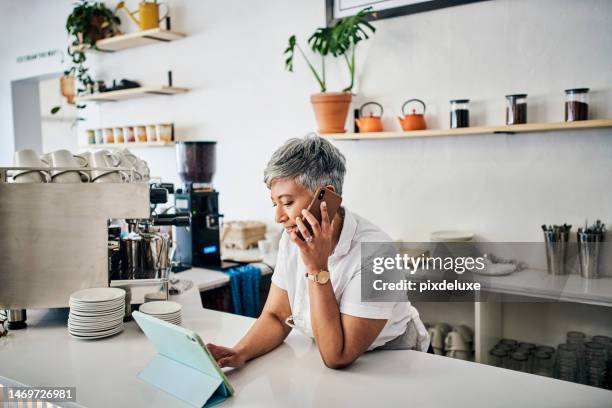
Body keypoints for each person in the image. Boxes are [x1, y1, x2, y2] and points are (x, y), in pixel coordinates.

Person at [208, 135, 429, 369]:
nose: (278, 217)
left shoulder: (376, 253)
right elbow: (276, 316)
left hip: (397, 362)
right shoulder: (292, 238)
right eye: (275, 203)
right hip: (331, 357)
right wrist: (240, 352)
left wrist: (317, 268)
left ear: (326, 198)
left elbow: (338, 355)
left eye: (287, 202)